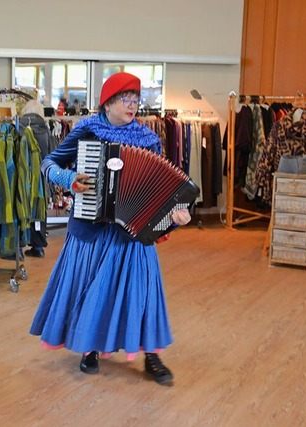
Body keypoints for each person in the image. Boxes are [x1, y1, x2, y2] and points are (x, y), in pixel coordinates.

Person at [29, 72, 191, 385]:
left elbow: (161, 188)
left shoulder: (148, 139)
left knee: (141, 294)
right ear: (108, 102)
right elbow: (49, 164)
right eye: (126, 100)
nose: (132, 106)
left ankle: (151, 355)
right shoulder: (86, 132)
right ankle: (89, 347)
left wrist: (176, 212)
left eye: (136, 100)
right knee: (89, 288)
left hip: (132, 234)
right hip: (91, 229)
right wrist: (70, 181)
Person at [18, 99, 52, 258]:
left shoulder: (18, 126)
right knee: (39, 211)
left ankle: (18, 245)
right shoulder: (45, 130)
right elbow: (53, 153)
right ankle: (38, 247)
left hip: (22, 174)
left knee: (20, 207)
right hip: (41, 176)